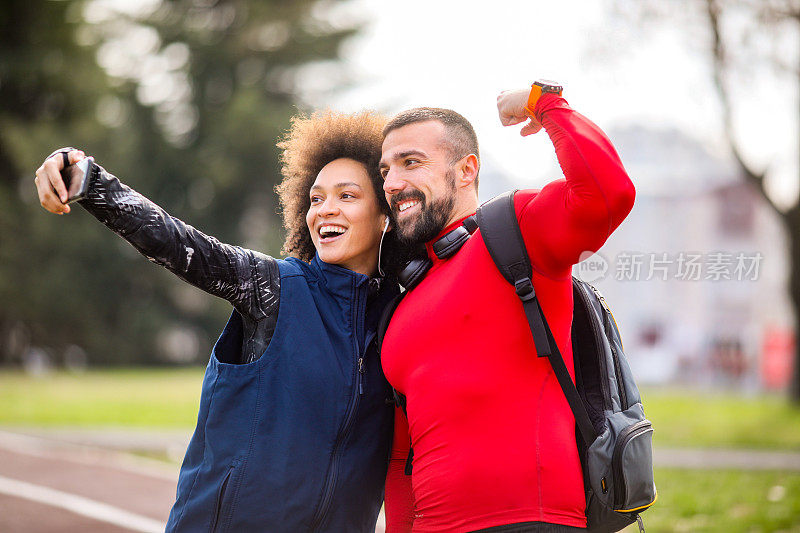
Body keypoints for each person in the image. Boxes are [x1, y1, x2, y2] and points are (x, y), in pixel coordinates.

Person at [34, 110, 406, 532]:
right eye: (316, 198)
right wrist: (89, 181)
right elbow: (179, 243)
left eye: (347, 196)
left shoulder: (399, 316)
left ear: (385, 216)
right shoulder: (274, 286)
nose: (325, 211)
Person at [379, 82, 636, 532]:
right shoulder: (399, 308)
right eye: (385, 171)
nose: (393, 183)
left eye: (410, 162)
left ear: (466, 170)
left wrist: (546, 102)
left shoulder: (516, 232)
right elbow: (403, 458)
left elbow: (607, 194)